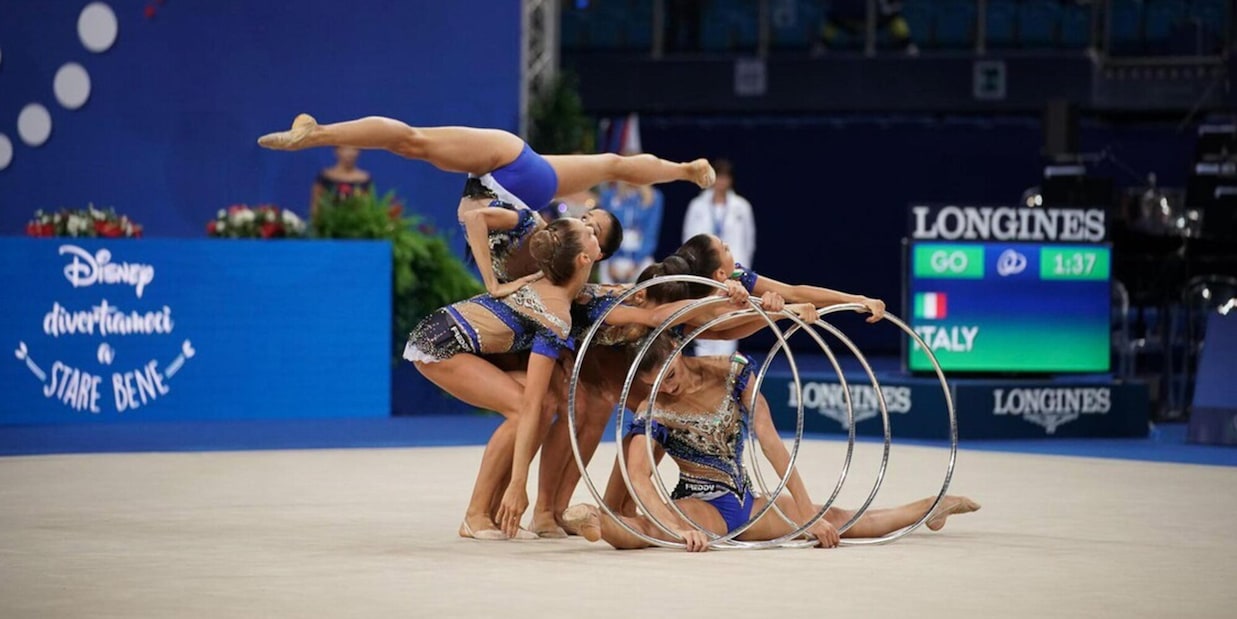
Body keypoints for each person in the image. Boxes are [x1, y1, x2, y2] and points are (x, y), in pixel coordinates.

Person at [563, 337, 980, 551]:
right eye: (656, 384)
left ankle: (931, 506)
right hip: (701, 502)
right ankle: (597, 523)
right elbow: (639, 476)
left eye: (669, 375)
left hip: (746, 498)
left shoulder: (734, 372)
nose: (666, 387)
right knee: (656, 531)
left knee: (839, 518)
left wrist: (805, 513)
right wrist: (676, 525)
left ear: (677, 349)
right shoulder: (653, 408)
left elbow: (769, 439)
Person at [681, 159, 755, 356]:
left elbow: (748, 241)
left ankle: (725, 363)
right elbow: (689, 240)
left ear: (730, 180)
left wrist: (741, 272)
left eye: (724, 177)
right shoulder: (697, 205)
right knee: (704, 314)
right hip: (704, 271)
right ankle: (704, 360)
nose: (721, 182)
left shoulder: (741, 207)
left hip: (732, 271)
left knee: (730, 314)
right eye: (718, 177)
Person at [597, 181, 664, 284]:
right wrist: (610, 261)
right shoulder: (609, 195)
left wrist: (636, 263)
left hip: (641, 258)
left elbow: (650, 233)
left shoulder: (654, 197)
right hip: (612, 256)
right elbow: (606, 230)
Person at [310, 146, 374, 216]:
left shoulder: (365, 179)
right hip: (329, 225)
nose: (350, 154)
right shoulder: (325, 177)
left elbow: (368, 208)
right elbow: (316, 207)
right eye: (345, 149)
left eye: (354, 149)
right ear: (336, 151)